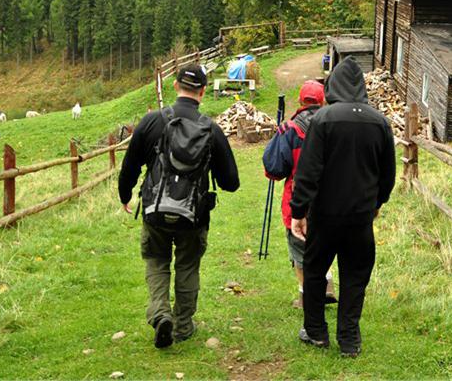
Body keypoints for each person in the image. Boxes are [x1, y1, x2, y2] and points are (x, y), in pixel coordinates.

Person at [118, 64, 239, 349]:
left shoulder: (151, 121)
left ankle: (161, 314)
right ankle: (183, 325)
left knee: (156, 261)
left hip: (155, 210)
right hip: (193, 215)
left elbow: (130, 165)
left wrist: (125, 195)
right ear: (203, 91)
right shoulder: (211, 130)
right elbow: (231, 182)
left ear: (175, 86)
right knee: (187, 265)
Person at [290, 59, 396, 357]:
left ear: (333, 86)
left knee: (314, 272)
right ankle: (349, 339)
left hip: (324, 215)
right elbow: (388, 174)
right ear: (361, 86)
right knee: (355, 276)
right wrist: (377, 203)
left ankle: (316, 332)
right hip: (360, 217)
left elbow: (308, 171)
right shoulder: (380, 122)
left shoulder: (323, 119)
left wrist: (299, 211)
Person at [262, 80, 337, 308]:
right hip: (330, 197)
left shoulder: (289, 129)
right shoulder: (333, 127)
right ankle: (327, 285)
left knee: (299, 248)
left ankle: (306, 297)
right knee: (324, 244)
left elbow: (274, 169)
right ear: (322, 101)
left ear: (300, 101)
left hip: (297, 200)